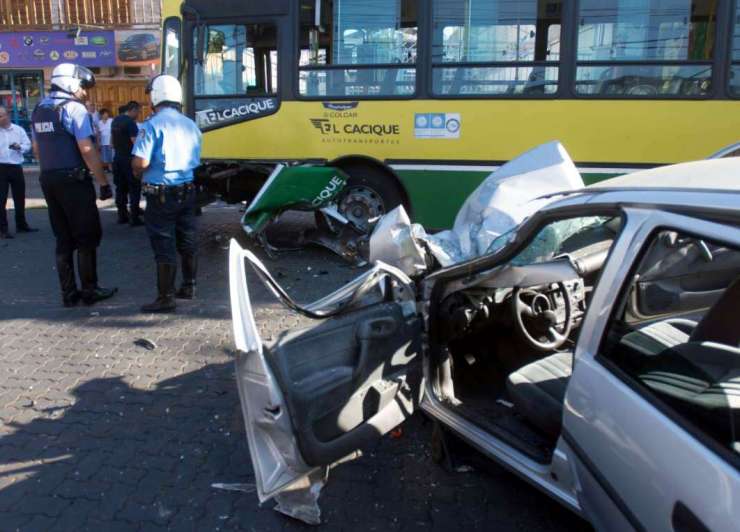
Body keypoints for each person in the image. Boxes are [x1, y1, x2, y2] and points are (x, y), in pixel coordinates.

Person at [31, 63, 117, 307]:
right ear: (71, 83)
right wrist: (103, 183)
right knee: (86, 236)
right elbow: (87, 149)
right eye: (82, 87)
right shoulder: (74, 109)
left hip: (49, 180)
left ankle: (68, 294)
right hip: (74, 181)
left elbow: (37, 149)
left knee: (63, 238)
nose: (84, 93)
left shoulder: (40, 108)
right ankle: (90, 291)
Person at [132, 75, 202, 313]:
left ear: (155, 97)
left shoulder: (151, 125)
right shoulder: (190, 124)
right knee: (188, 240)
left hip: (161, 195)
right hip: (188, 190)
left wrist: (136, 173)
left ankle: (165, 298)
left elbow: (140, 162)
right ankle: (190, 286)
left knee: (164, 244)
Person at [0, 105, 36, 238]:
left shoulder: (18, 130)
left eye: (0, 116)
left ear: (7, 116)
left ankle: (21, 225)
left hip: (15, 166)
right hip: (1, 167)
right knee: (1, 199)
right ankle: (3, 229)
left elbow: (27, 146)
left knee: (19, 197)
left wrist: (19, 147)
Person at [111, 101, 142, 225]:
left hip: (117, 158)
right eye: (138, 111)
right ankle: (135, 218)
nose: (139, 114)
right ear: (132, 110)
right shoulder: (130, 123)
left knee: (120, 188)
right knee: (134, 188)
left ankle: (122, 215)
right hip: (129, 160)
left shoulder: (115, 120)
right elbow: (135, 142)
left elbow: (112, 142)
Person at [97, 108, 113, 173]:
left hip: (110, 141)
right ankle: (109, 168)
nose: (106, 115)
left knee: (112, 155)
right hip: (103, 142)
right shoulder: (99, 122)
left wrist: (112, 142)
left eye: (107, 114)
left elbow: (112, 132)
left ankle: (112, 168)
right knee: (106, 156)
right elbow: (98, 133)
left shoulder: (111, 120)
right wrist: (99, 142)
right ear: (101, 115)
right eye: (105, 114)